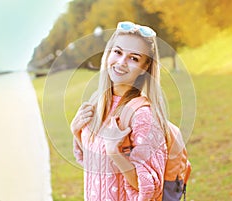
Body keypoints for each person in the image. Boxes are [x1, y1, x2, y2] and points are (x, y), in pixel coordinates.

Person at [71, 21, 172, 200]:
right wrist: (77, 132)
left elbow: (151, 187)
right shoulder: (97, 102)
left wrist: (115, 152)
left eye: (134, 58)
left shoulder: (142, 115)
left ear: (144, 68)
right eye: (117, 52)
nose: (121, 62)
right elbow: (95, 164)